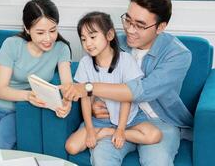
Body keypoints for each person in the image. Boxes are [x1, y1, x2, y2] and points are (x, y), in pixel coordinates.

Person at [61, 0, 193, 166]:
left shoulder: (178, 55)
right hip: (114, 118)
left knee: (157, 162)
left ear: (160, 27)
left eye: (139, 25)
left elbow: (140, 91)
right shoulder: (115, 42)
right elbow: (92, 71)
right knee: (102, 158)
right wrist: (93, 103)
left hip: (159, 121)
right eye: (128, 20)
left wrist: (88, 88)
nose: (130, 30)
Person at [0, 0, 73, 149]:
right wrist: (28, 95)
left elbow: (68, 86)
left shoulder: (61, 49)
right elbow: (1, 90)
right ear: (27, 29)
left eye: (53, 30)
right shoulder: (12, 44)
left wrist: (67, 103)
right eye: (40, 32)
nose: (48, 38)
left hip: (21, 110)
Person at [65, 11, 162, 157]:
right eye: (83, 39)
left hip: (130, 119)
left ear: (109, 35)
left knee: (154, 136)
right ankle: (108, 132)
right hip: (100, 120)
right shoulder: (85, 63)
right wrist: (90, 131)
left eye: (92, 37)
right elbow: (85, 98)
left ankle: (109, 133)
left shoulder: (125, 60)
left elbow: (127, 98)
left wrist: (120, 130)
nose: (88, 43)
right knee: (71, 147)